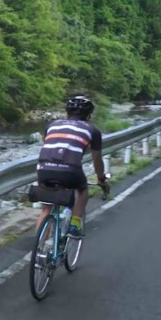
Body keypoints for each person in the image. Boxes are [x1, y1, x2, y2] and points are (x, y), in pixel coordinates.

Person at [35, 95, 108, 238]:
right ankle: (75, 224)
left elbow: (50, 145)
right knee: (82, 189)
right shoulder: (93, 130)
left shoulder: (52, 125)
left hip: (44, 168)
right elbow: (97, 159)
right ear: (89, 115)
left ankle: (37, 254)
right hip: (70, 170)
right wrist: (101, 179)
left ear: (66, 113)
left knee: (46, 210)